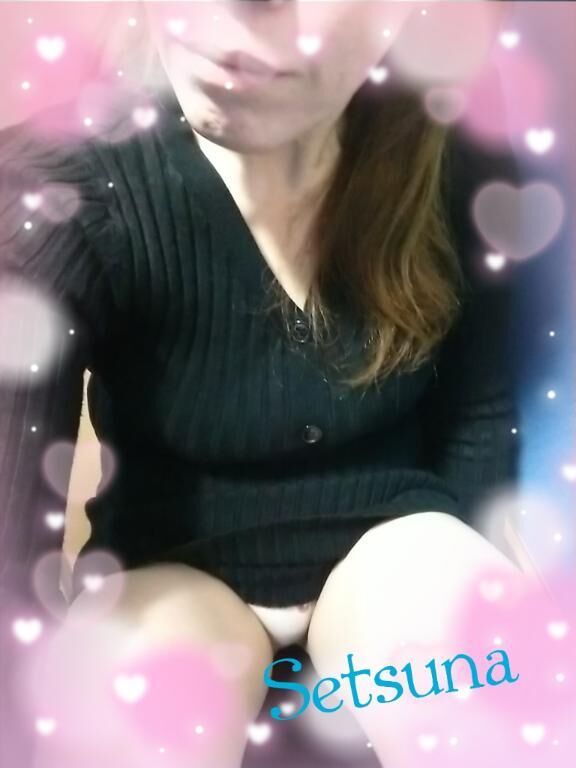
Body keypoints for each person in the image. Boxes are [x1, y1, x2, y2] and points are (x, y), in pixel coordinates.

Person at [0, 1, 525, 766]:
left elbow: (480, 408)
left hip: (395, 539)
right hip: (172, 569)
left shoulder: (454, 135)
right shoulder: (55, 194)